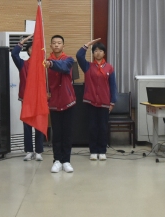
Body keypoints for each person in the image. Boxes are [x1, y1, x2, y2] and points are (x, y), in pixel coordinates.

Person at [76, 38, 117, 161]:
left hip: (104, 102)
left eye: (100, 51)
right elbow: (79, 56)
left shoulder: (109, 68)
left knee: (103, 127)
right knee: (92, 127)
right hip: (91, 102)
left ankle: (102, 150)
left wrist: (112, 102)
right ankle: (93, 151)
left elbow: (113, 86)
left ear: (104, 53)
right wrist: (87, 44)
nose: (98, 53)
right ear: (93, 53)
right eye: (96, 51)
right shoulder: (88, 66)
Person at [45, 35, 76, 173]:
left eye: (59, 43)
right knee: (56, 133)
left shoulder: (69, 60)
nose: (56, 45)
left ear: (63, 46)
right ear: (50, 46)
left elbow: (63, 68)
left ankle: (66, 161)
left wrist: (51, 64)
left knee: (67, 133)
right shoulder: (45, 62)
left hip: (68, 101)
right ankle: (57, 160)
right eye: (54, 43)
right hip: (53, 102)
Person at [11, 36, 44, 161]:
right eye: (31, 48)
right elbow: (14, 54)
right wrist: (23, 41)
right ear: (28, 51)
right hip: (26, 100)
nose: (33, 50)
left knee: (39, 125)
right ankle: (29, 151)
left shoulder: (43, 65)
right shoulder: (23, 64)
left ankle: (39, 151)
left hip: (39, 99)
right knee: (27, 125)